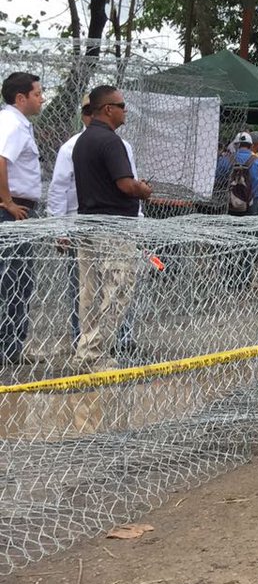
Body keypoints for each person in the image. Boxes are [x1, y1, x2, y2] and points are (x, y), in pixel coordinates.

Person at [72, 85, 153, 371]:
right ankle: (95, 354)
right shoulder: (110, 141)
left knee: (90, 294)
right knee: (116, 291)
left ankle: (86, 351)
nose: (125, 110)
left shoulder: (83, 140)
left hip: (89, 224)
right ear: (108, 109)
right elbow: (125, 184)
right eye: (121, 105)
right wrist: (142, 189)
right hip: (113, 229)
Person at [0, 72, 43, 365]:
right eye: (37, 94)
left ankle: (13, 346)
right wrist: (8, 202)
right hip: (13, 211)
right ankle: (7, 347)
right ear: (21, 98)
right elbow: (0, 160)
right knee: (11, 278)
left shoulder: (17, 124)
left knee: (20, 278)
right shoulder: (11, 124)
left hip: (18, 208)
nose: (41, 99)